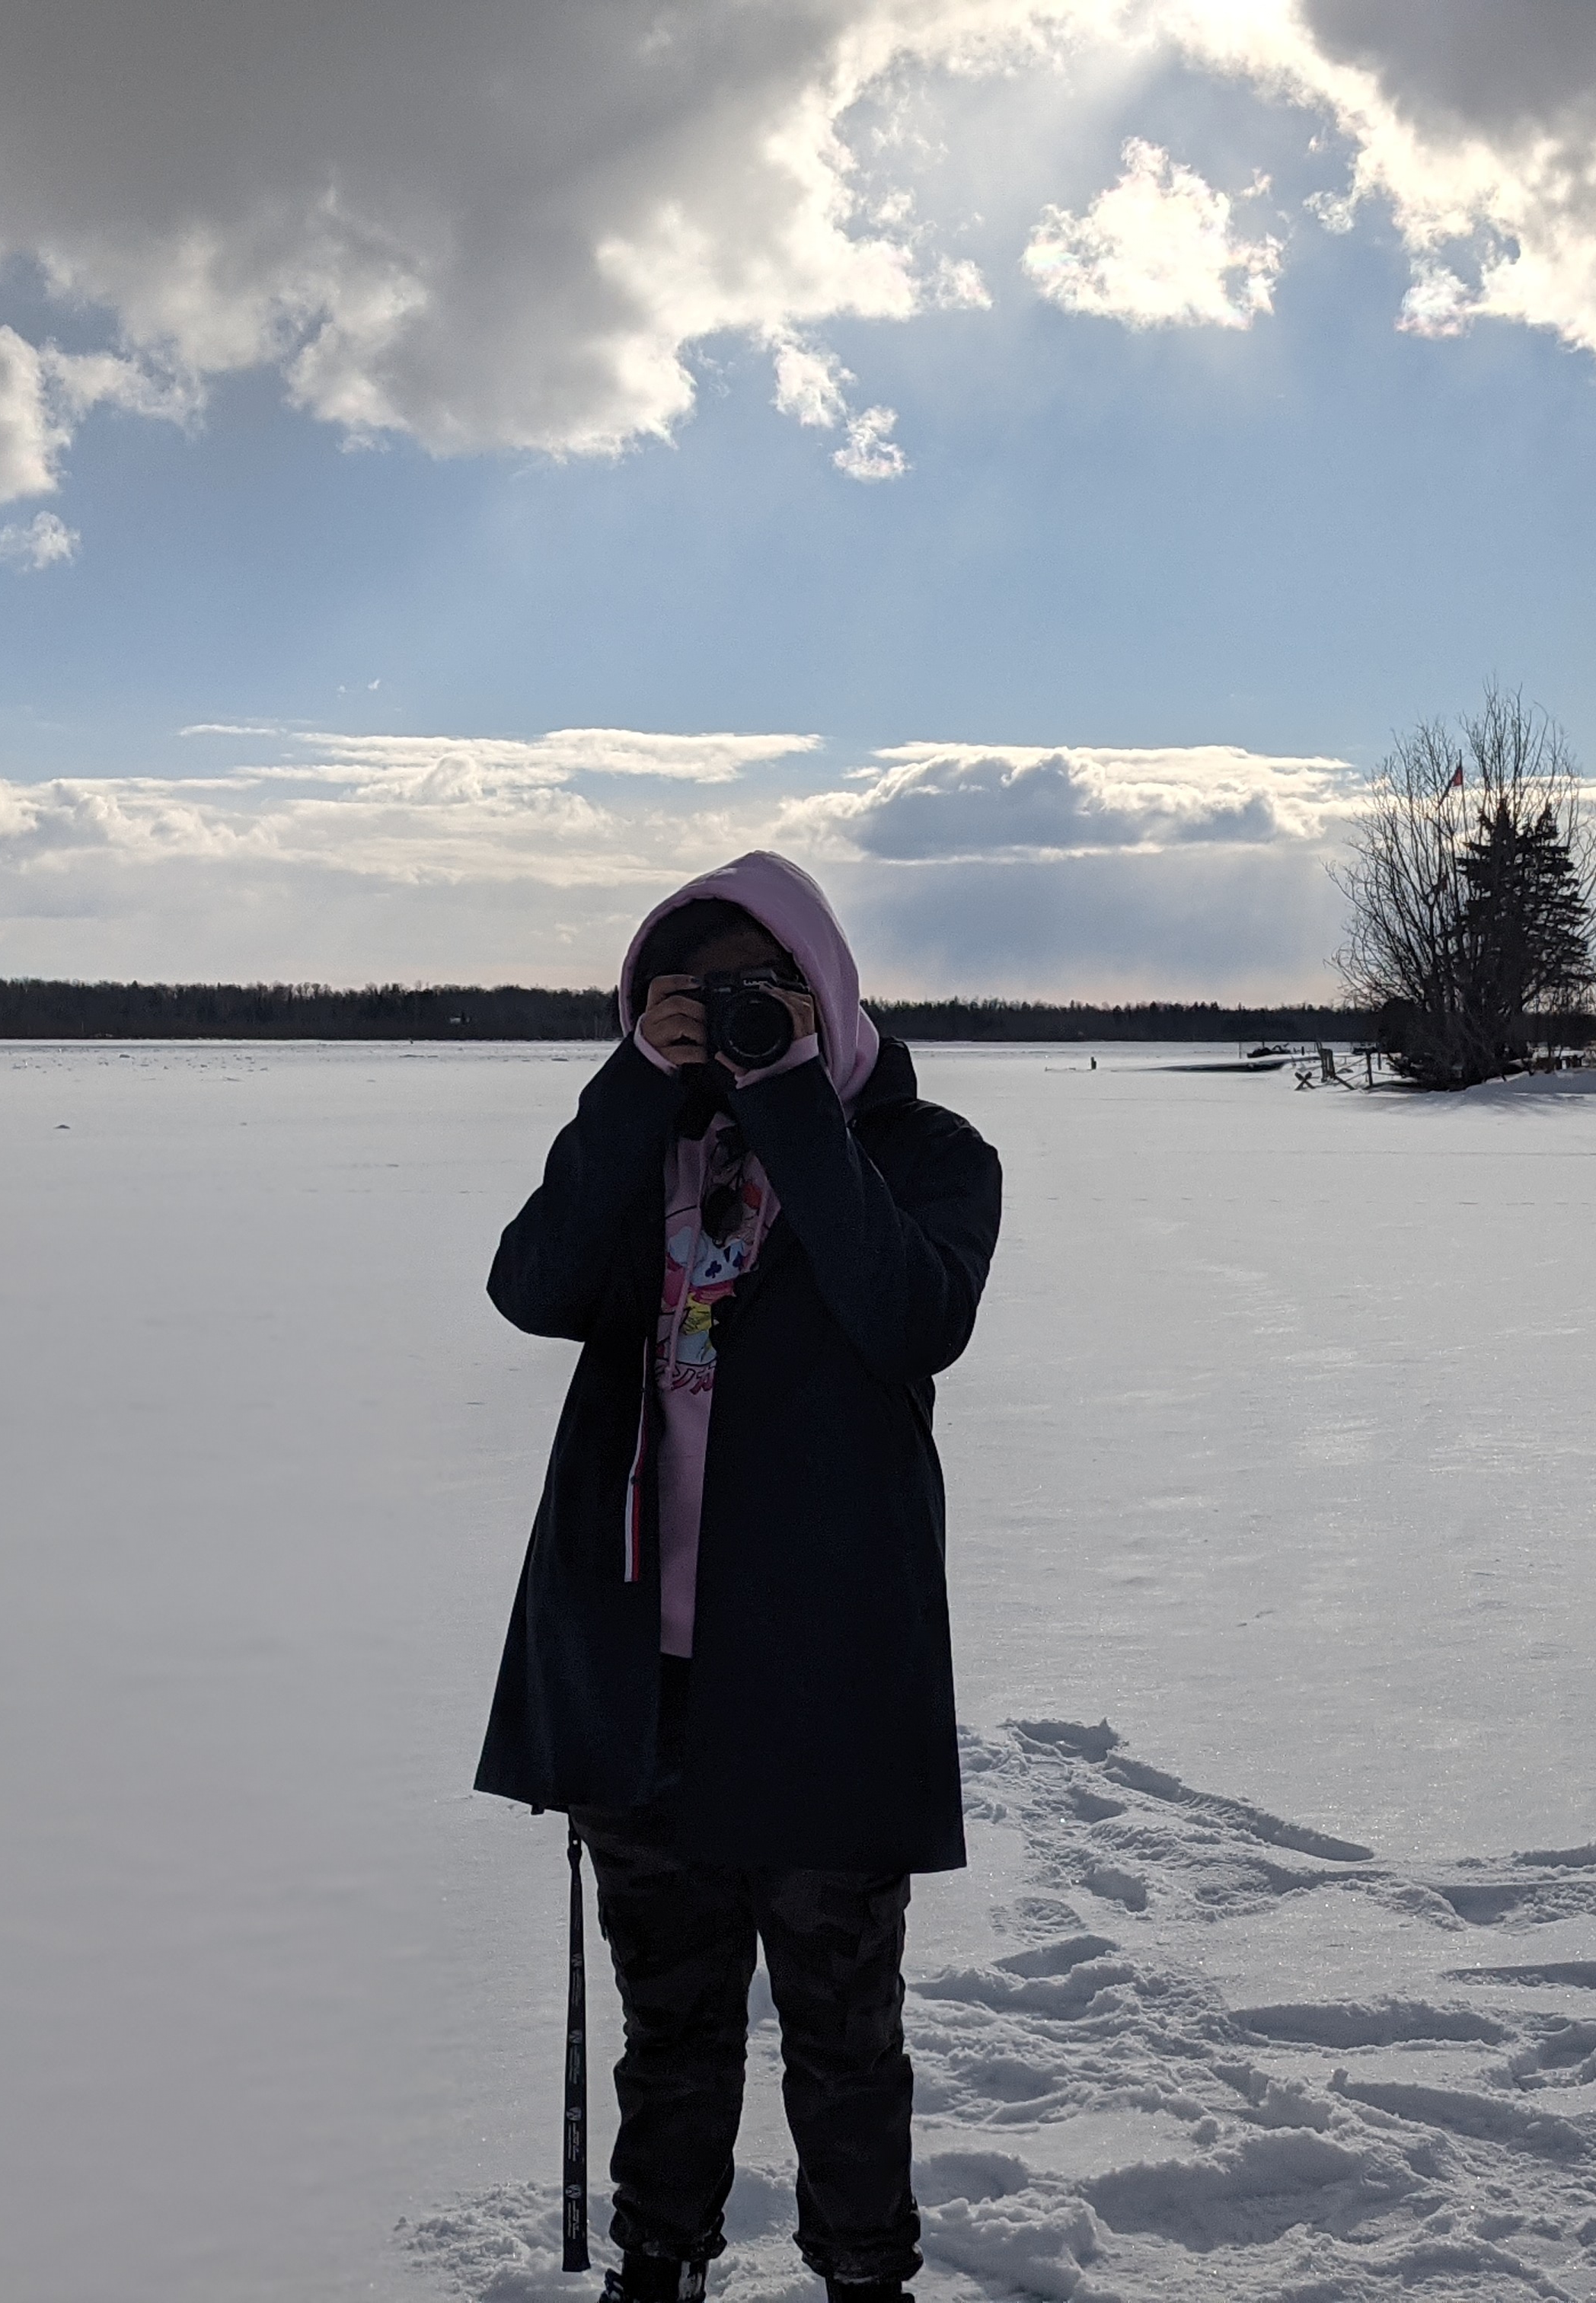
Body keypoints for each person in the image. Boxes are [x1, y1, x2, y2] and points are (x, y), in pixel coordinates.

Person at [475, 852, 1004, 2303]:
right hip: (642, 1682)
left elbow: (911, 1316)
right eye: (688, 998)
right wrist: (637, 1088)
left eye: (759, 993)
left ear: (826, 990)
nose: (726, 1021)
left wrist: (790, 1100)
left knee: (843, 2032)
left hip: (828, 1682)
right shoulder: (644, 1144)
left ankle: (864, 2279)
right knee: (674, 2023)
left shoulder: (929, 1155)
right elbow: (529, 1286)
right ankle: (660, 2269)